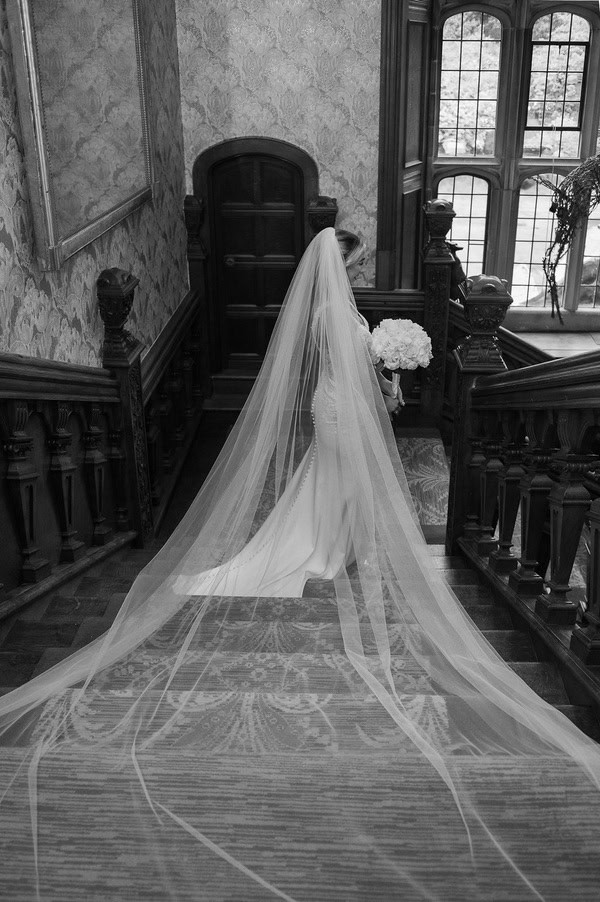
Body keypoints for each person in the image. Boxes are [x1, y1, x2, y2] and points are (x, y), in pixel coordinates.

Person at [0, 227, 600, 900]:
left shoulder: (328, 309)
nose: (356, 267)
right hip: (341, 409)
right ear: (335, 262)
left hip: (340, 403)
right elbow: (346, 367)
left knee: (335, 486)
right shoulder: (330, 312)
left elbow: (351, 366)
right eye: (351, 259)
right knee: (344, 482)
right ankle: (325, 547)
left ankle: (333, 543)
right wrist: (380, 376)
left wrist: (384, 377)